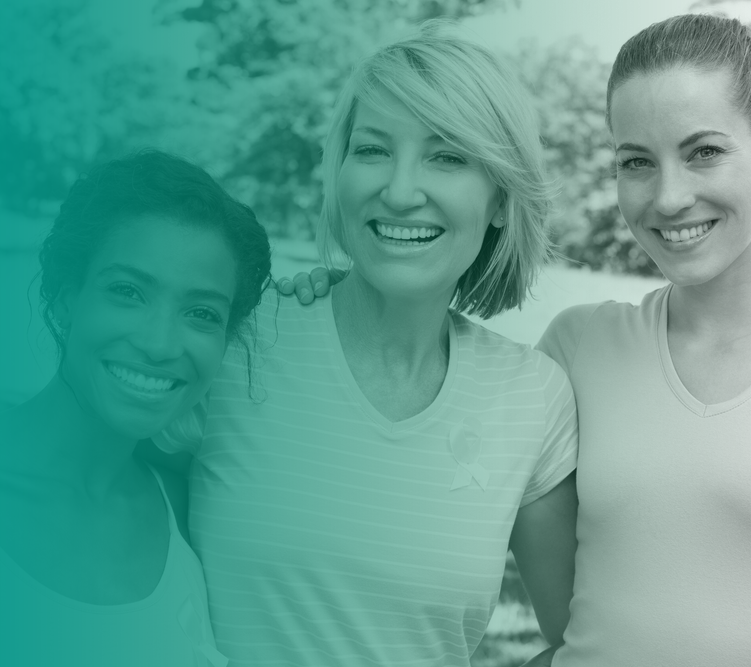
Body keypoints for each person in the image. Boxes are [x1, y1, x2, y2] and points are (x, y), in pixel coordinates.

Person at [283, 14, 751, 667]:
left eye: (703, 151)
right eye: (636, 162)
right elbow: (404, 489)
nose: (669, 196)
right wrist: (336, 302)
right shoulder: (576, 350)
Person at [155, 24, 579, 666]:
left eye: (448, 156)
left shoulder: (531, 397)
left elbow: (589, 639)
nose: (402, 191)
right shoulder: (238, 341)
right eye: (374, 150)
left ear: (501, 198)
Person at [0, 149, 271, 666]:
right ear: (65, 298)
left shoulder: (183, 510)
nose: (160, 343)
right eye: (128, 291)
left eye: (201, 313)